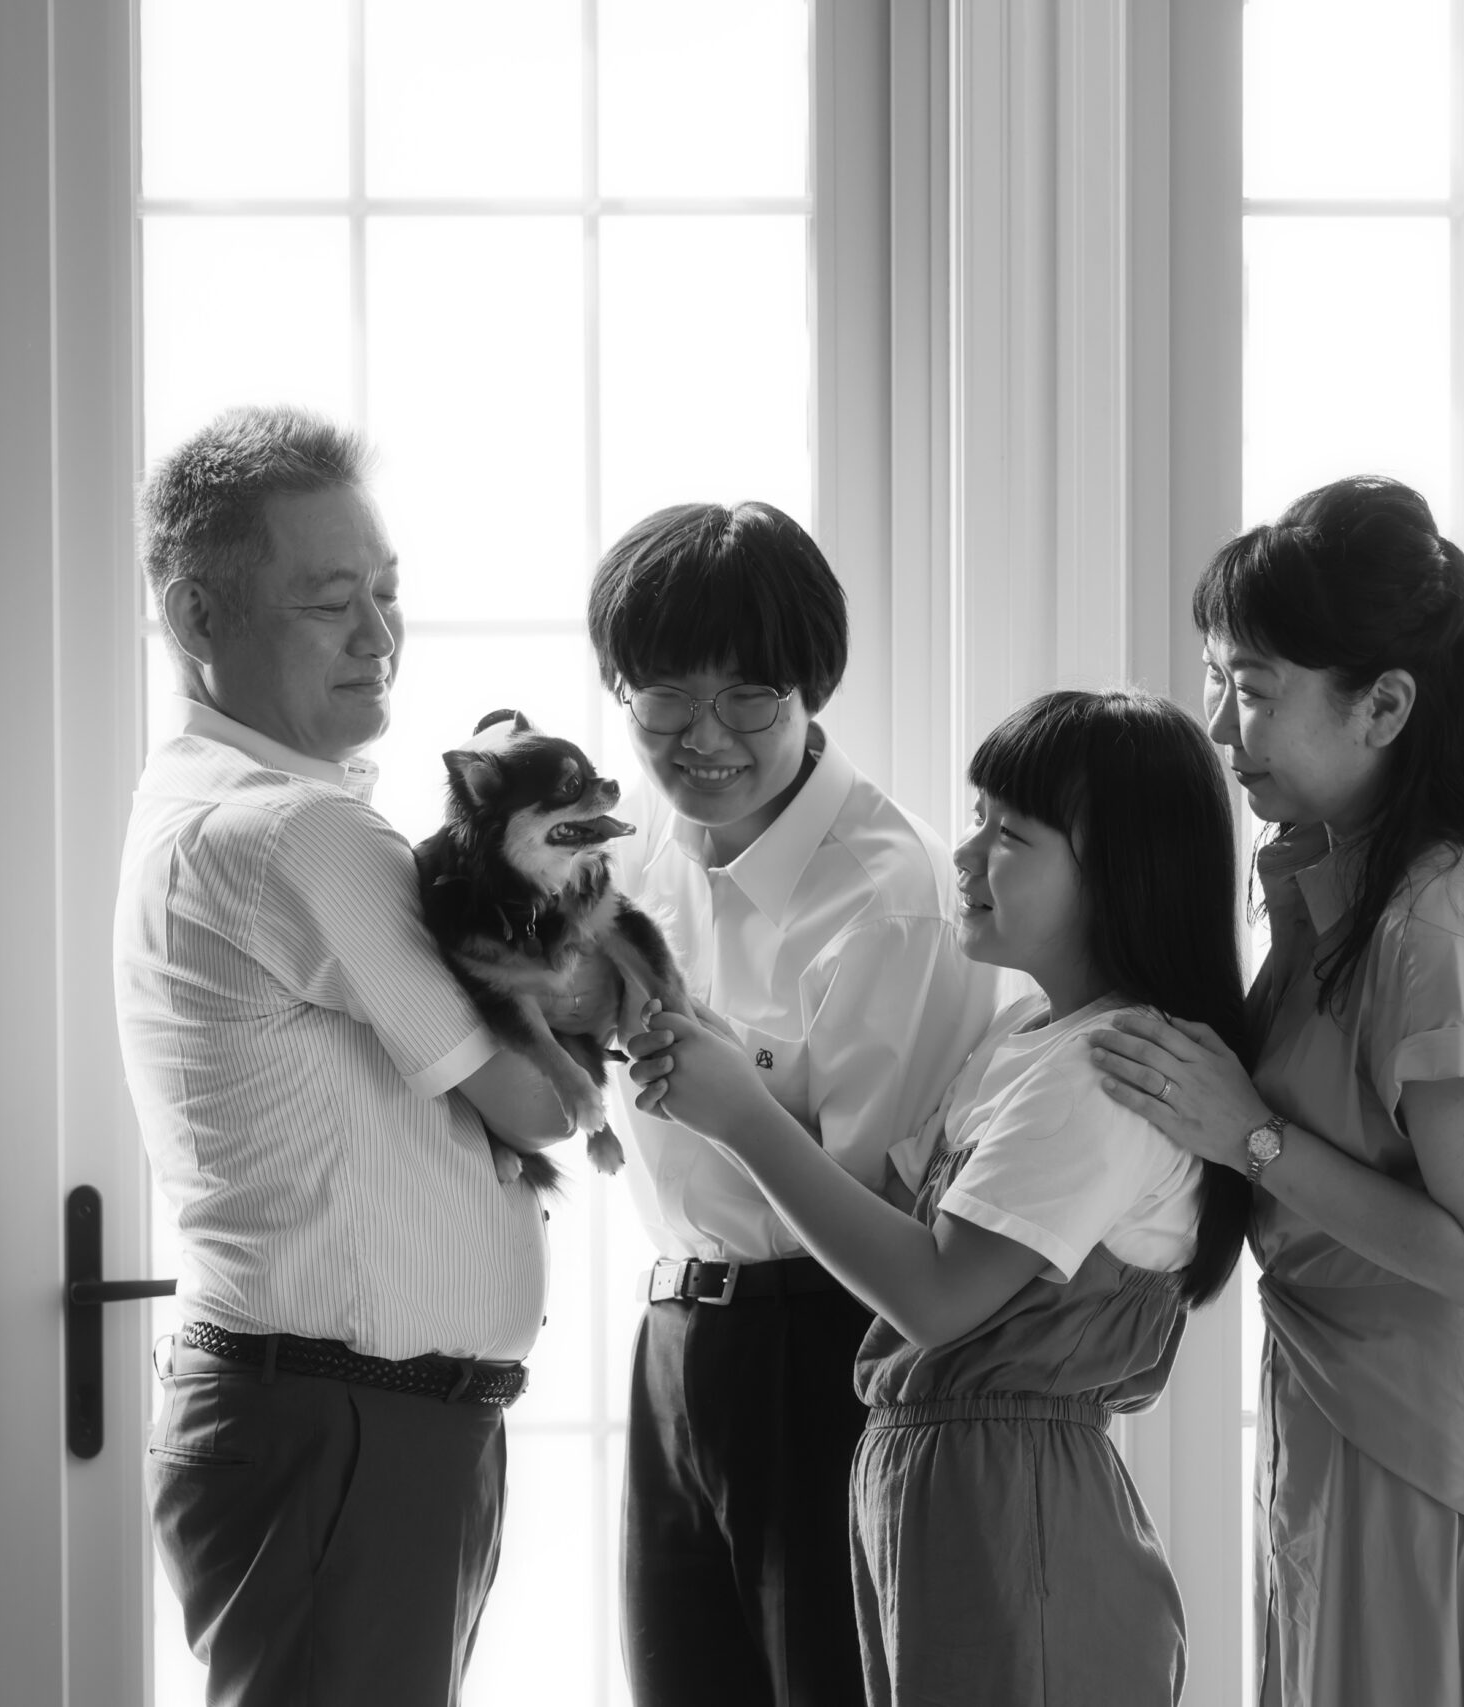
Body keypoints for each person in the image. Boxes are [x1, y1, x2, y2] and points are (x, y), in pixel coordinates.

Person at [1091, 476, 1464, 1707]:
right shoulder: (1338, 892)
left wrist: (1248, 1136)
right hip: (1354, 1416)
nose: (1218, 725)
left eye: (1253, 690)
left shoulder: (1443, 924)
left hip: (1456, 1448)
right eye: (1217, 681)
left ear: (1385, 705)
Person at [630, 688, 1256, 1707]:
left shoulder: (1105, 1068)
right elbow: (880, 1204)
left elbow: (934, 1294)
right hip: (941, 1495)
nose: (964, 857)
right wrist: (725, 1052)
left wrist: (740, 1114)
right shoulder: (1024, 1040)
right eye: (977, 819)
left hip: (1013, 1514)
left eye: (1009, 835)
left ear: (1121, 871)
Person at [113, 406, 576, 1706]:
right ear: (199, 616)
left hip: (343, 1421)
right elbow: (542, 1102)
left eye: (387, 592)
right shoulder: (296, 832)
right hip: (348, 1429)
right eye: (330, 602)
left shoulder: (205, 800)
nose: (378, 635)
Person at [588, 501, 1003, 1707]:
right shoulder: (630, 853)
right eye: (666, 698)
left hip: (823, 1345)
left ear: (811, 689)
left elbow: (882, 1211)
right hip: (674, 1332)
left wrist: (737, 1098)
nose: (704, 738)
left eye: (749, 698)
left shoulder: (892, 894)